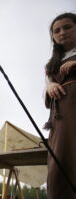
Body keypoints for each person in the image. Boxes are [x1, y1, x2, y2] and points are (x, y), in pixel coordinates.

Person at [44, 12, 76, 198]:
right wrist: (51, 86)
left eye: (67, 27)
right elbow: (47, 95)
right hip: (62, 118)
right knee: (61, 163)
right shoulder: (51, 66)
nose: (62, 32)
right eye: (57, 30)